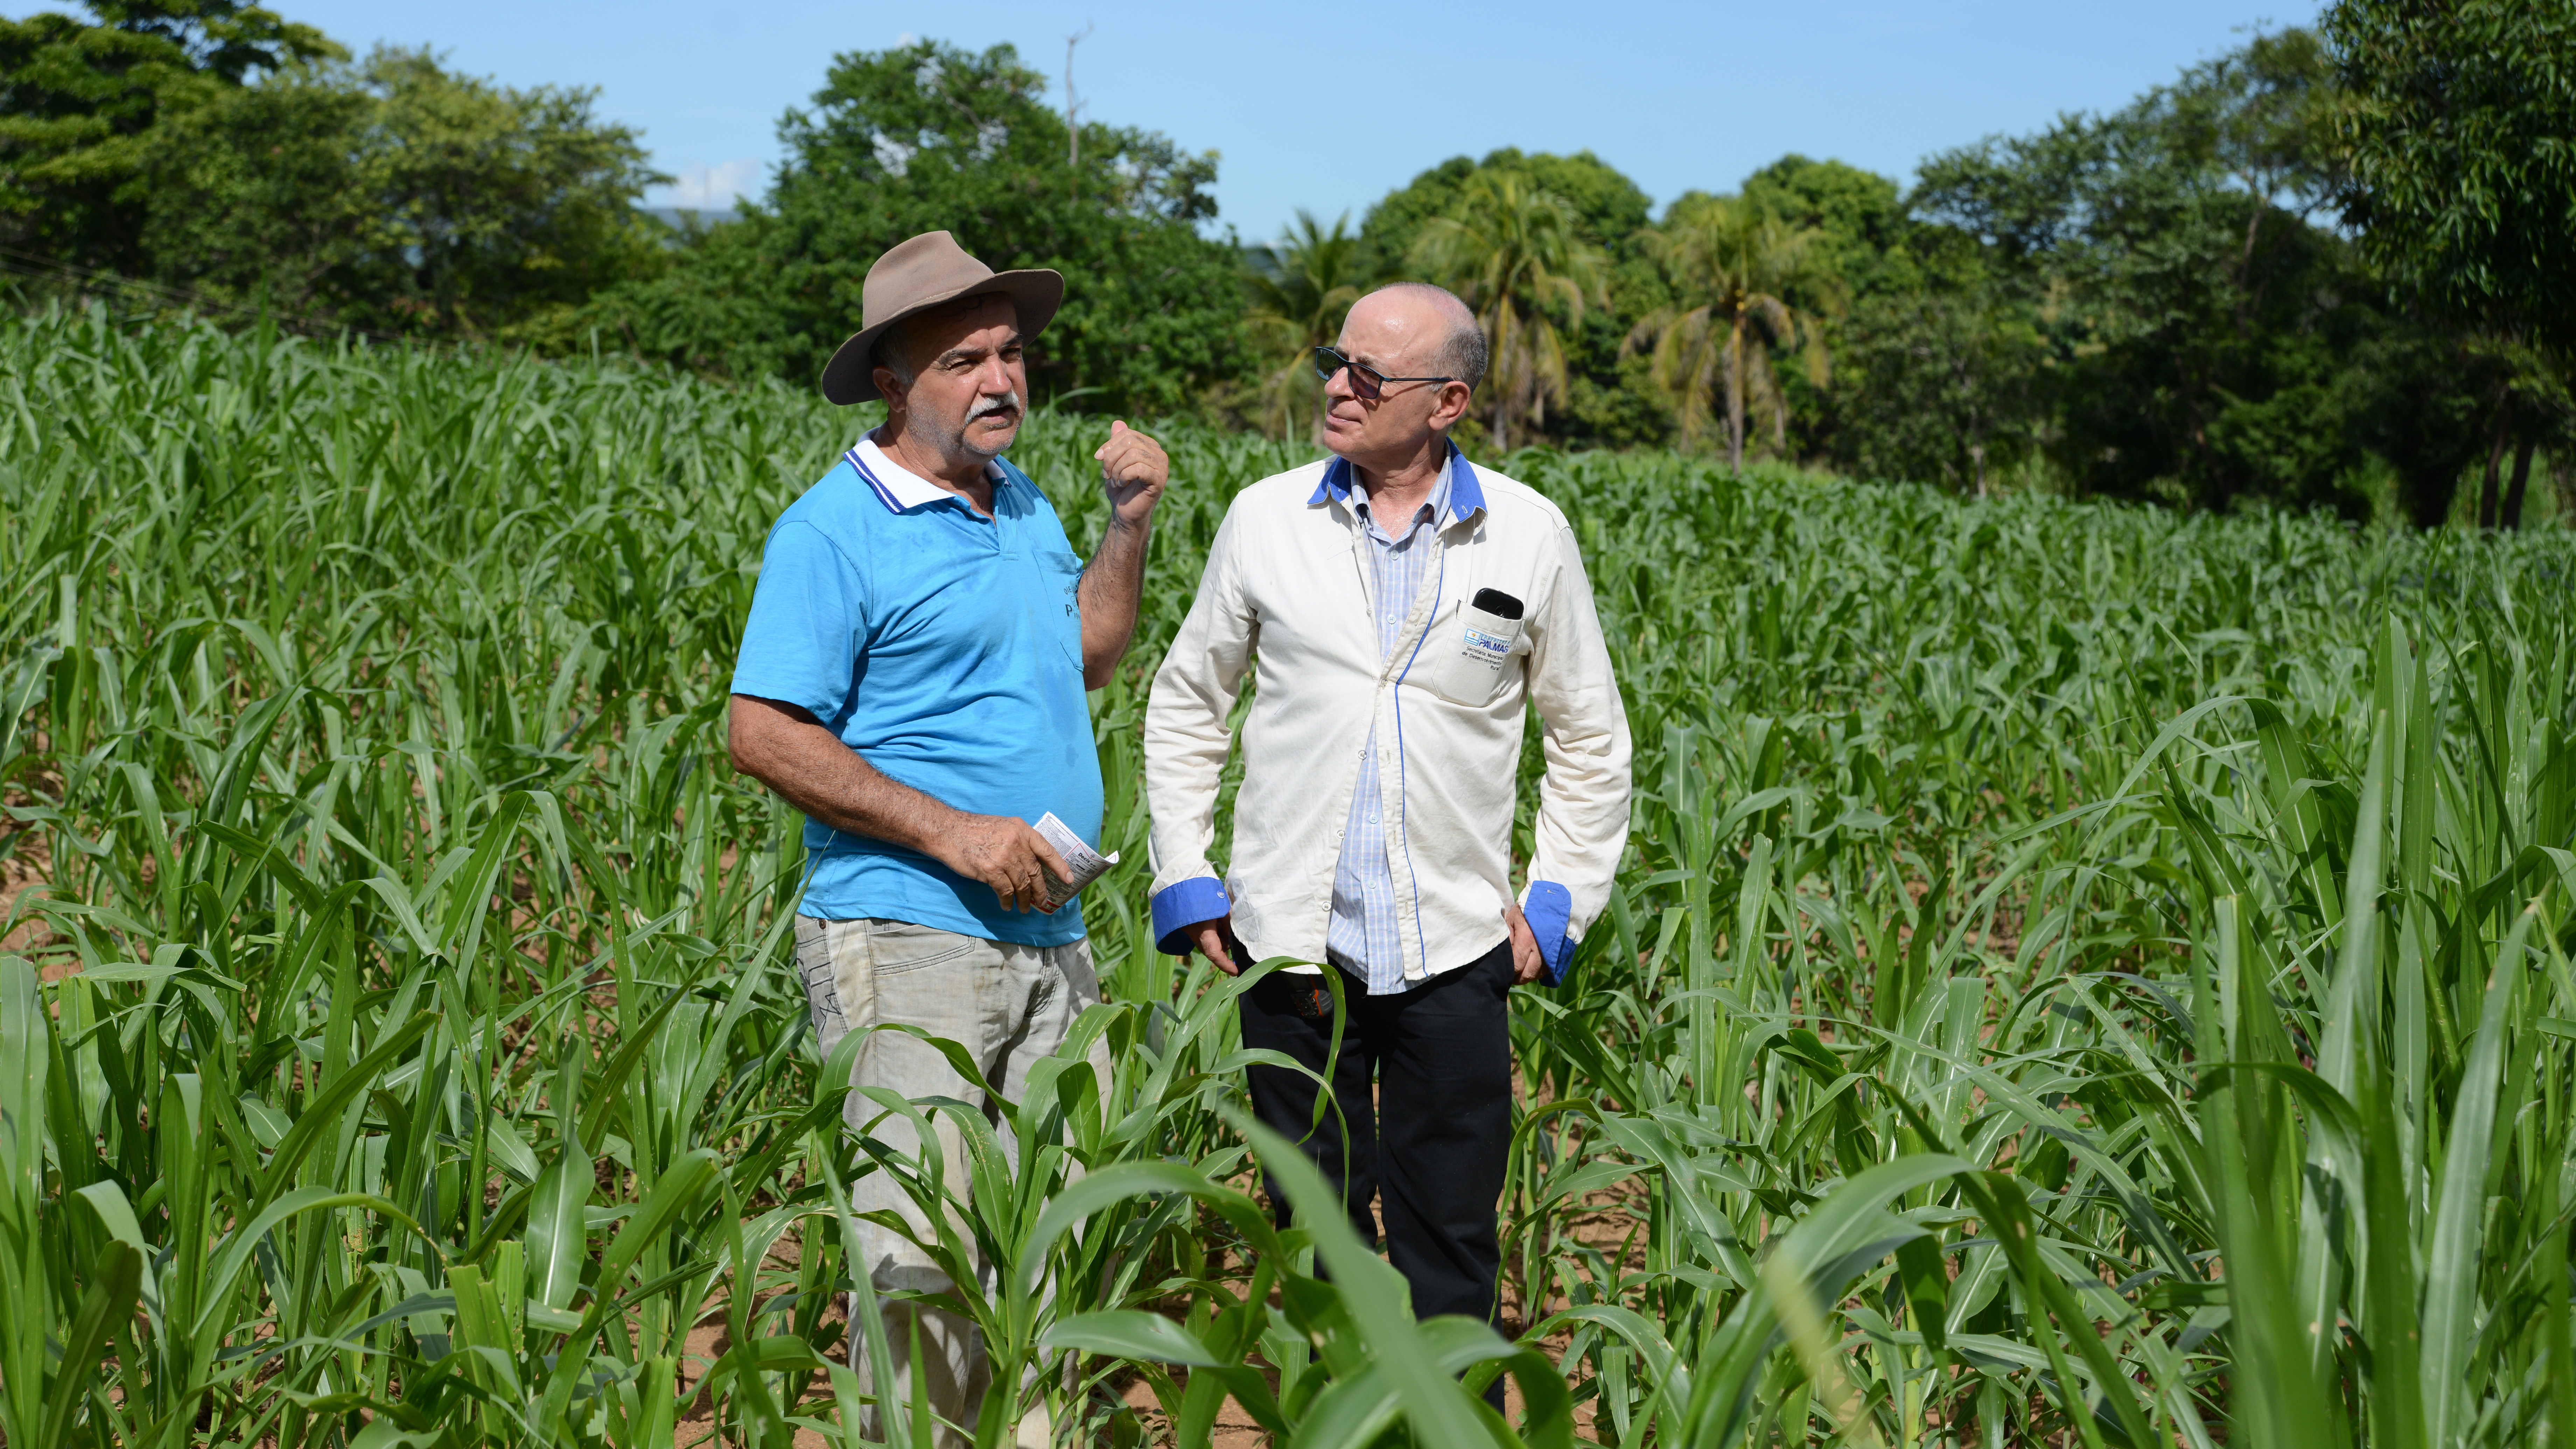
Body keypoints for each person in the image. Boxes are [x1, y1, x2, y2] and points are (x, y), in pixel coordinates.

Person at [1141, 282, 1632, 1383]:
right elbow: (1187, 703)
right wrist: (1187, 872)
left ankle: (1447, 1416)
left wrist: (1557, 902)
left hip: (1455, 944)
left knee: (1450, 1235)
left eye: (1369, 375)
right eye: (1336, 362)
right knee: (1311, 1225)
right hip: (1290, 942)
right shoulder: (1268, 517)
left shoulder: (1526, 532)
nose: (1338, 388)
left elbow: (1591, 738)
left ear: (1448, 401)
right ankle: (1328, 1405)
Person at [727, 230, 1168, 1447]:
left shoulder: (1017, 498)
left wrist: (1128, 525)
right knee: (920, 1260)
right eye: (964, 360)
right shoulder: (835, 530)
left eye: (1010, 353)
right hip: (907, 933)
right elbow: (762, 732)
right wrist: (955, 834)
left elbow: (1087, 655)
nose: (1000, 379)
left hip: (1052, 933)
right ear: (890, 381)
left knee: (1055, 1253)